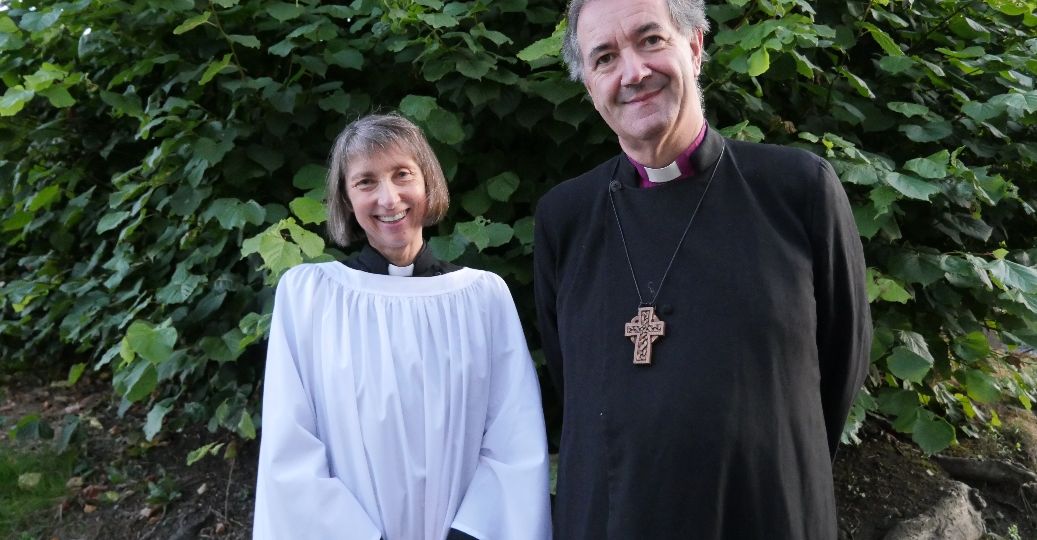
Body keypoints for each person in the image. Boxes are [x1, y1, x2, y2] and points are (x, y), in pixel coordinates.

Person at [533, 0, 872, 538]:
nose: (633, 72)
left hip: (767, 512)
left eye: (651, 40)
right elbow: (572, 380)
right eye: (604, 57)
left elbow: (840, 365)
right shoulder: (564, 218)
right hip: (613, 520)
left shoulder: (798, 190)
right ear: (590, 86)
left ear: (694, 46)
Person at [254, 113, 551, 540]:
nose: (389, 199)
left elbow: (514, 434)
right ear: (346, 197)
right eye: (366, 182)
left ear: (427, 182)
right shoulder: (309, 298)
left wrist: (472, 532)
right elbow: (290, 443)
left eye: (402, 175)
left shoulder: (483, 298)